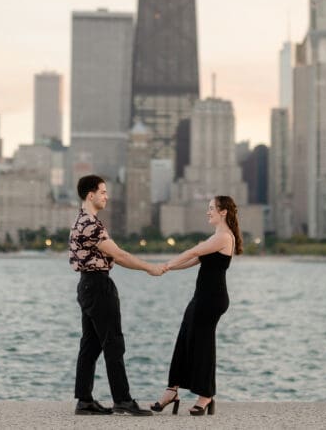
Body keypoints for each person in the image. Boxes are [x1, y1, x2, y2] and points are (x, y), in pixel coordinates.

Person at [70, 174, 165, 416]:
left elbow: (114, 256)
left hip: (87, 285)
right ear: (90, 195)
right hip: (98, 286)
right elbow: (120, 255)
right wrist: (149, 267)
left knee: (90, 345)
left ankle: (84, 401)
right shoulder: (91, 224)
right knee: (113, 343)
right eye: (103, 192)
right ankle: (122, 400)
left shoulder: (81, 221)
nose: (107, 196)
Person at [152, 195, 243, 416]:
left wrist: (166, 264)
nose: (207, 211)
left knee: (203, 344)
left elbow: (193, 252)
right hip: (201, 297)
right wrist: (167, 269)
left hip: (212, 299)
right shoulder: (215, 237)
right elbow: (194, 261)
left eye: (211, 208)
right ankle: (172, 390)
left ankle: (206, 395)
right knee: (185, 338)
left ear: (223, 212)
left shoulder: (224, 237)